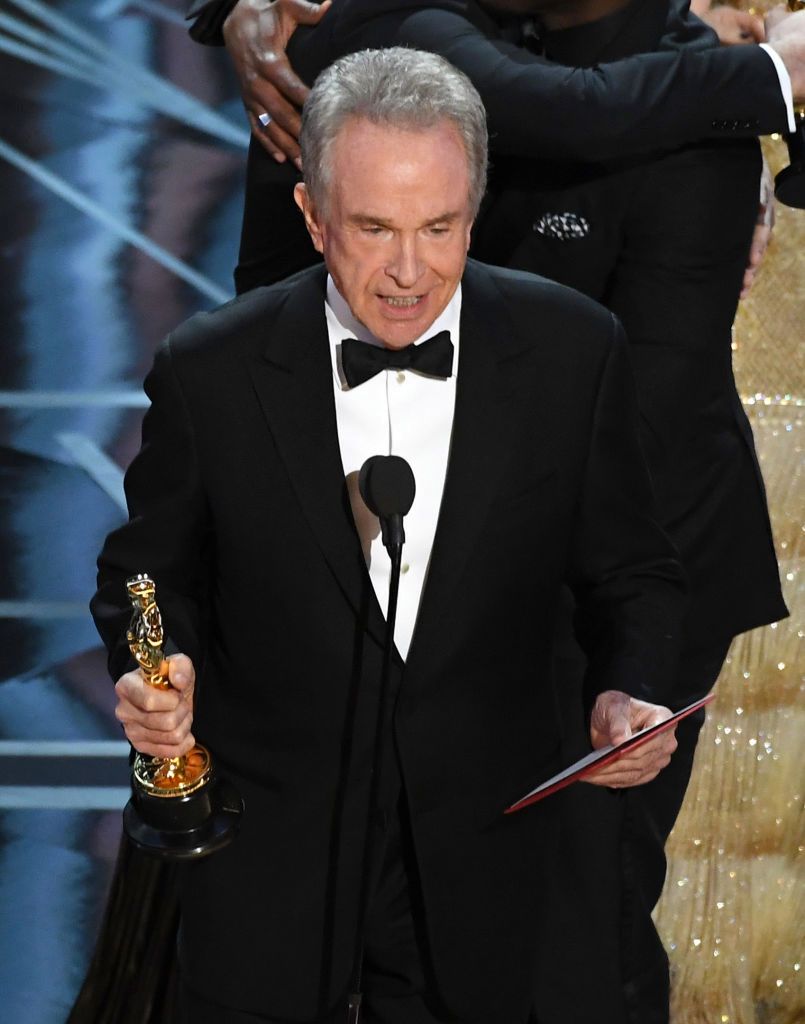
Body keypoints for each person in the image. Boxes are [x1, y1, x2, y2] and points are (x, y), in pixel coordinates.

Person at [183, 3, 790, 1022]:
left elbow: (645, 431)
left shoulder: (678, 98)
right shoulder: (378, 60)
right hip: (416, 542)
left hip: (626, 552)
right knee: (391, 904)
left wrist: (763, 78)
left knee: (577, 916)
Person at [92, 48, 686, 1024]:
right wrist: (159, 669)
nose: (410, 271)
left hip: (494, 863)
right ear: (313, 218)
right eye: (373, 229)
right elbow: (145, 575)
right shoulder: (213, 368)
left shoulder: (572, 350)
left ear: (475, 208)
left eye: (439, 227)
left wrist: (631, 689)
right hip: (271, 864)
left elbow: (637, 571)